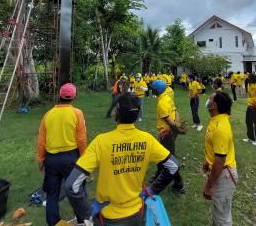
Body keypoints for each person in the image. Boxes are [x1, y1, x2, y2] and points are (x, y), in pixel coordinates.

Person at [65, 92, 180, 225]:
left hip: (107, 217)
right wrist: (154, 189)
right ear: (137, 115)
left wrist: (87, 214)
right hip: (137, 214)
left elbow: (72, 185)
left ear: (116, 113)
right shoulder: (147, 139)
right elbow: (173, 165)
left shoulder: (101, 142)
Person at [37, 83, 87, 226]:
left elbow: (41, 141)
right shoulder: (77, 113)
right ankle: (83, 221)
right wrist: (84, 157)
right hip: (71, 158)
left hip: (51, 160)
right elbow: (81, 139)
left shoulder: (48, 115)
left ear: (60, 96)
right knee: (77, 190)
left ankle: (53, 222)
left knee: (52, 193)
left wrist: (41, 159)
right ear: (74, 97)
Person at [203, 91, 237, 226]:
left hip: (224, 174)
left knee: (222, 218)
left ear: (213, 105)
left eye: (210, 99)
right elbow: (215, 151)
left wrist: (208, 186)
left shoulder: (220, 128)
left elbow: (220, 160)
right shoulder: (216, 120)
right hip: (220, 171)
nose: (207, 100)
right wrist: (208, 161)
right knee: (218, 213)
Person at [151, 80, 186, 194]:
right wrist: (178, 123)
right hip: (171, 131)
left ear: (156, 90)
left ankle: (179, 185)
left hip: (166, 133)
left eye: (153, 88)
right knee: (162, 156)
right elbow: (176, 112)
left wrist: (176, 127)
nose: (151, 89)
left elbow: (168, 120)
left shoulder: (162, 103)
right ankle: (158, 175)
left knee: (168, 158)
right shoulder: (167, 98)